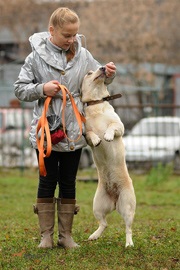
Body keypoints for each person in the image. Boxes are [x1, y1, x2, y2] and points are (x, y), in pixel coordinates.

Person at [14, 7, 116, 249]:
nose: (72, 40)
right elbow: (19, 88)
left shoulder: (83, 55)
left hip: (75, 130)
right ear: (52, 31)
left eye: (75, 35)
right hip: (47, 131)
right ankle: (46, 236)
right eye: (66, 35)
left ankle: (66, 236)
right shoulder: (34, 57)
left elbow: (98, 78)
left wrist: (109, 74)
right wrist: (41, 89)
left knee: (69, 181)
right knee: (47, 181)